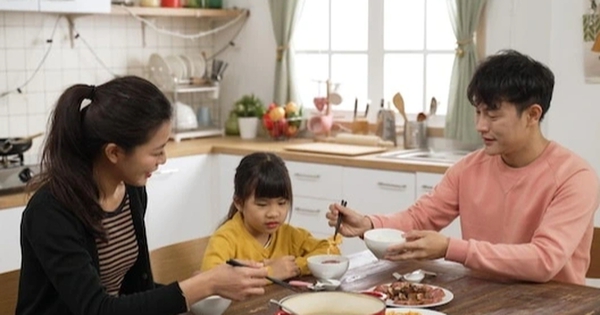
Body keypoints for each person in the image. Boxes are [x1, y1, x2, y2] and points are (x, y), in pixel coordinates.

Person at [326, 50, 600, 285]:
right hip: (483, 298)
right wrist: (369, 224)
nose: (481, 126)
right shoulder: (469, 169)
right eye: (478, 112)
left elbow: (544, 260)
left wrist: (449, 248)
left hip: (556, 305)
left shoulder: (575, 177)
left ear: (532, 115)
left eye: (493, 115)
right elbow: (420, 218)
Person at [16, 76, 269, 315]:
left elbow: (134, 293)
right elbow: (97, 309)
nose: (163, 159)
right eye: (156, 151)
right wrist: (203, 285)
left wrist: (197, 287)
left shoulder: (132, 192)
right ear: (114, 153)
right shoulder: (51, 211)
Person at [201, 152, 340, 280]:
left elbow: (330, 252)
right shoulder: (225, 239)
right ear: (239, 203)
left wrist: (295, 266)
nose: (274, 213)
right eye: (262, 204)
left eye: (281, 203)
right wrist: (269, 272)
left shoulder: (288, 235)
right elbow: (210, 280)